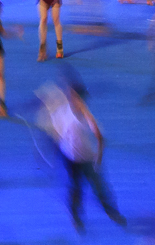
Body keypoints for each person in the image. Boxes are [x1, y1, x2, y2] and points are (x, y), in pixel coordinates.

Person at [40, 79, 125, 232]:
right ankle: (77, 218)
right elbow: (56, 134)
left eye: (78, 99)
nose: (76, 101)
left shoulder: (87, 116)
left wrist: (98, 158)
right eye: (73, 98)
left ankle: (112, 213)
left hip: (87, 159)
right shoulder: (62, 113)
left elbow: (99, 137)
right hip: (71, 159)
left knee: (100, 188)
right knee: (75, 189)